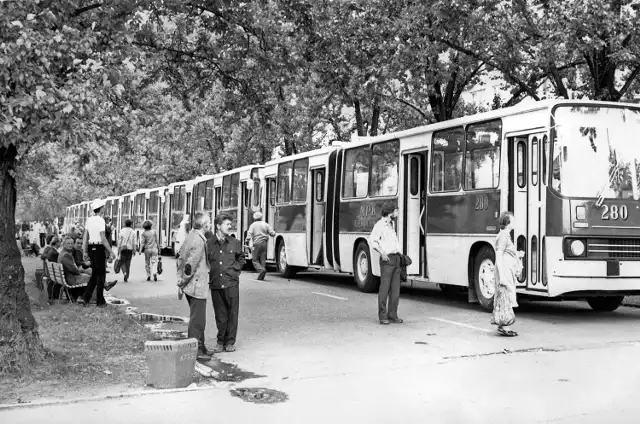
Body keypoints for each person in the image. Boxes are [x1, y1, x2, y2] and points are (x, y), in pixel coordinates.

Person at [207, 214, 246, 353]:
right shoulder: (209, 243)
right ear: (218, 226)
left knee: (232, 314)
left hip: (231, 283)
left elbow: (241, 258)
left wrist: (235, 271)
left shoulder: (235, 242)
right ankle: (220, 341)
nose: (230, 226)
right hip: (216, 283)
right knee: (220, 314)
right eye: (227, 224)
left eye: (230, 224)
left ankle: (230, 342)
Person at [177, 212, 212, 361]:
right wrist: (183, 281)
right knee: (197, 320)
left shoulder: (192, 235)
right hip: (196, 285)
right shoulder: (198, 240)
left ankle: (201, 347)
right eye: (208, 222)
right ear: (204, 225)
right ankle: (195, 350)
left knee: (198, 318)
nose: (210, 224)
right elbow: (190, 266)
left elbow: (181, 257)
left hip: (192, 285)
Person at [369, 201, 403, 325]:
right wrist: (382, 252)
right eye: (396, 210)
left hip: (396, 259)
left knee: (395, 290)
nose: (397, 212)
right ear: (390, 212)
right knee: (384, 288)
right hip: (387, 260)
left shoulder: (391, 224)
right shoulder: (380, 225)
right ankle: (382, 316)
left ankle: (393, 315)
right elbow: (372, 240)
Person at [491, 211, 524, 337]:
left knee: (505, 296)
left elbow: (506, 253)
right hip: (504, 270)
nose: (515, 222)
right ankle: (505, 326)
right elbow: (499, 256)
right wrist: (502, 277)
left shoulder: (506, 235)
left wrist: (517, 255)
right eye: (513, 220)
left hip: (507, 270)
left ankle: (503, 325)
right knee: (507, 296)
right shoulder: (503, 235)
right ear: (508, 222)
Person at [79, 199, 114, 307]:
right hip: (99, 248)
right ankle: (100, 301)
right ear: (101, 208)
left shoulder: (88, 220)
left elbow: (85, 237)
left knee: (95, 274)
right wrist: (111, 251)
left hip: (90, 247)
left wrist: (85, 251)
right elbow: (103, 239)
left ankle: (85, 298)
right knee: (101, 275)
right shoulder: (101, 220)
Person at [245, 211, 275, 280]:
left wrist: (247, 242)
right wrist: (274, 233)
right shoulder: (265, 224)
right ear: (261, 218)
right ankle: (262, 275)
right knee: (263, 260)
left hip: (256, 244)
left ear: (254, 218)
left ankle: (261, 270)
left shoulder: (253, 225)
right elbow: (272, 233)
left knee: (254, 260)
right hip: (264, 244)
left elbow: (249, 235)